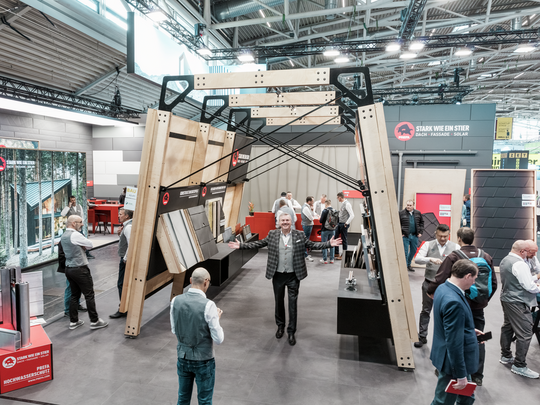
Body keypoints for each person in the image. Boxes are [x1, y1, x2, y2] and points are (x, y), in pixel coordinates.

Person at [228, 213, 341, 346]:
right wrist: (241, 246)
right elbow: (259, 243)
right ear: (279, 222)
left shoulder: (299, 235)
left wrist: (329, 244)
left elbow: (312, 245)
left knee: (293, 304)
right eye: (283, 220)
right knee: (278, 302)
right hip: (278, 275)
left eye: (287, 220)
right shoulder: (272, 234)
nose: (285, 222)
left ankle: (291, 331)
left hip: (294, 275)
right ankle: (280, 326)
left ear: (291, 222)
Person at [427, 227, 496, 386]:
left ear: (459, 239)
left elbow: (441, 278)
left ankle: (448, 369)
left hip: (456, 303)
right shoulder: (486, 256)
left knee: (451, 337)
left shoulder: (454, 257)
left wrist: (433, 294)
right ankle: (477, 375)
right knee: (478, 339)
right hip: (478, 308)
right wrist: (482, 301)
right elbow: (493, 284)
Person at [430, 259, 481, 405]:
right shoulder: (454, 301)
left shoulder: (442, 288)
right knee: (442, 401)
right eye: (474, 279)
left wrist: (469, 331)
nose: (474, 283)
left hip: (450, 357)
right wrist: (460, 375)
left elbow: (449, 326)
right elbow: (453, 342)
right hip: (454, 363)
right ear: (467, 276)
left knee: (467, 397)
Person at [170, 268, 224, 405]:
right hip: (204, 360)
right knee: (205, 401)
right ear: (206, 282)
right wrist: (216, 319)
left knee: (182, 398)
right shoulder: (209, 305)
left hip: (183, 357)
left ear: (190, 281)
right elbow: (219, 339)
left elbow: (174, 330)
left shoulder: (175, 300)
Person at [413, 224, 460, 348]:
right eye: (440, 236)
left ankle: (445, 339)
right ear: (436, 234)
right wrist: (430, 259)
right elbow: (417, 259)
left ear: (448, 234)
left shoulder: (455, 247)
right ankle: (422, 337)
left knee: (446, 312)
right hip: (429, 282)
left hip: (447, 286)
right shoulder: (428, 244)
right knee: (426, 310)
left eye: (445, 236)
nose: (443, 239)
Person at [499, 240, 540, 379]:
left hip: (507, 298)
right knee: (526, 332)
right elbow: (528, 286)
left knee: (508, 327)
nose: (533, 255)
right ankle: (519, 365)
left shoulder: (506, 259)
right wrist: (538, 287)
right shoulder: (520, 264)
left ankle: (505, 356)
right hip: (517, 301)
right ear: (522, 251)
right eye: (531, 252)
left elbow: (520, 279)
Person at [61, 215, 108, 331]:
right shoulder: (75, 235)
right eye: (80, 222)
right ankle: (94, 321)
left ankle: (74, 321)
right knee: (89, 294)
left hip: (69, 268)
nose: (82, 224)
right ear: (73, 223)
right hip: (80, 269)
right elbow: (90, 245)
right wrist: (83, 246)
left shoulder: (63, 235)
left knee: (74, 295)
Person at [110, 208, 133, 319]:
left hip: (125, 259)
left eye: (120, 214)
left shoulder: (128, 227)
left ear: (127, 216)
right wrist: (120, 234)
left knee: (121, 284)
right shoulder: (127, 226)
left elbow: (131, 244)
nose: (118, 216)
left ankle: (123, 308)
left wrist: (125, 258)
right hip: (125, 258)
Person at [399, 200, 424, 272]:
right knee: (405, 252)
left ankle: (408, 264)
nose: (408, 206)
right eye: (407, 205)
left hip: (414, 236)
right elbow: (398, 223)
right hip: (405, 236)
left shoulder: (418, 213)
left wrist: (420, 232)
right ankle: (404, 267)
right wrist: (400, 232)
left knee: (413, 250)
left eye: (410, 205)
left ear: (413, 206)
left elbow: (421, 223)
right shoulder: (401, 213)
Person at [335, 192, 354, 260]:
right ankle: (336, 252)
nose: (337, 199)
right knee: (335, 237)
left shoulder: (347, 204)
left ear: (340, 197)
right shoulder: (343, 204)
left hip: (343, 224)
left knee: (344, 240)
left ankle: (343, 255)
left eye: (337, 198)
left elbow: (352, 215)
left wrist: (346, 223)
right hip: (339, 223)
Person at [300, 196, 318, 262]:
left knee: (306, 240)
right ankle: (305, 255)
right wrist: (313, 217)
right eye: (312, 201)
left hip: (308, 225)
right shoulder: (305, 208)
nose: (313, 202)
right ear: (309, 201)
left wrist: (312, 210)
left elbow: (312, 214)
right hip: (307, 225)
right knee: (305, 240)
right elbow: (311, 218)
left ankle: (306, 254)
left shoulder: (308, 207)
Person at [319, 200, 336, 264]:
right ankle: (332, 259)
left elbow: (321, 221)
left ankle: (325, 259)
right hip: (332, 230)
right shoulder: (335, 211)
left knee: (324, 244)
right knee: (332, 244)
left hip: (325, 230)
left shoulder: (324, 211)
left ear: (326, 204)